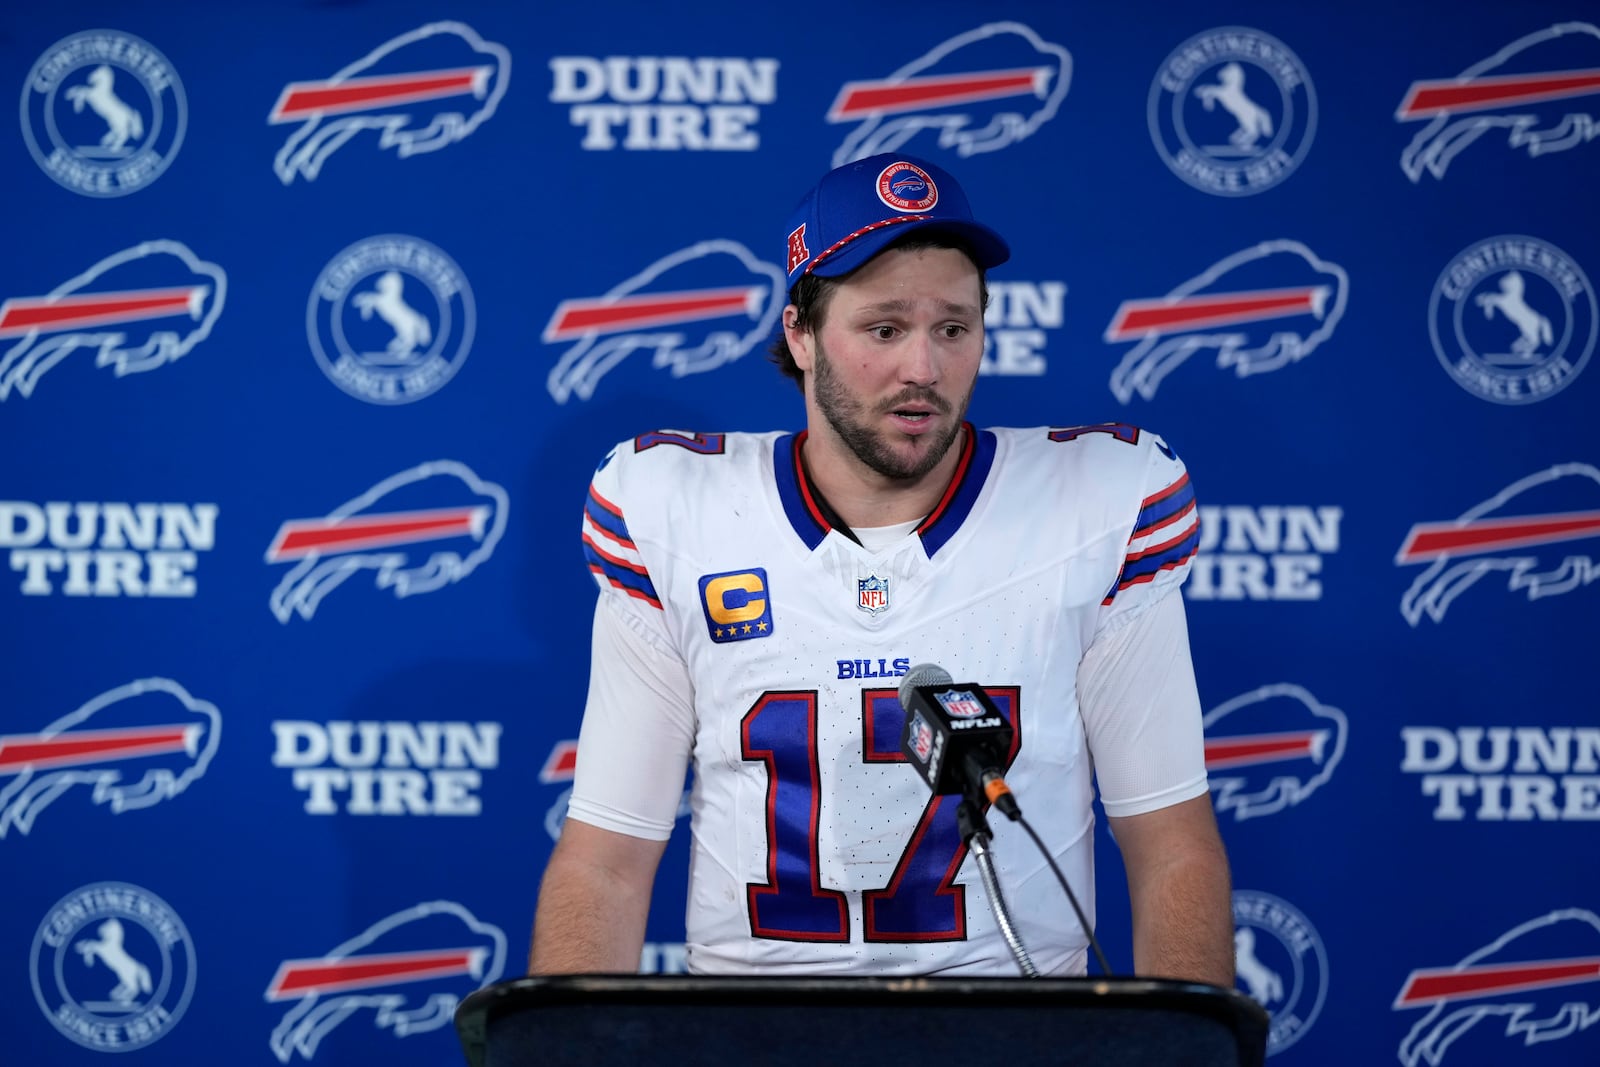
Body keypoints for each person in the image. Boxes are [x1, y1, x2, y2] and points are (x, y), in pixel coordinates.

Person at [529, 153, 1233, 983]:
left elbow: (1171, 848)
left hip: (1017, 1039)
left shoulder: (1100, 507)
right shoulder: (675, 513)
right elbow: (606, 860)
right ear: (799, 333)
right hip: (752, 1038)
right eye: (885, 328)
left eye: (953, 328)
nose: (923, 370)